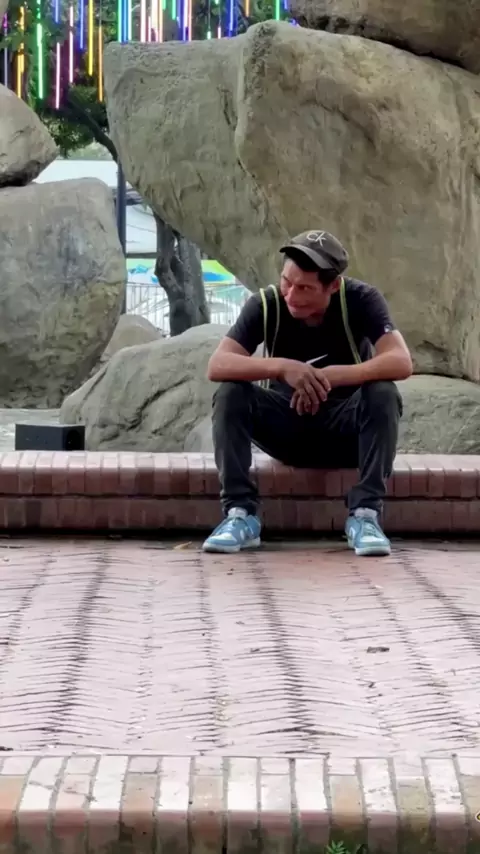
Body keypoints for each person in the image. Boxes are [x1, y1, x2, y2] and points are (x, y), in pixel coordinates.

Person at [202, 229, 413, 556]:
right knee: (230, 393)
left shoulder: (360, 300)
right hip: (286, 429)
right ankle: (240, 514)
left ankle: (365, 515)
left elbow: (401, 360)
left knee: (383, 392)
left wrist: (334, 376)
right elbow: (217, 365)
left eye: (304, 288)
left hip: (345, 433)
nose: (291, 295)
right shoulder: (267, 304)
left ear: (333, 286)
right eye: (287, 282)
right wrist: (282, 367)